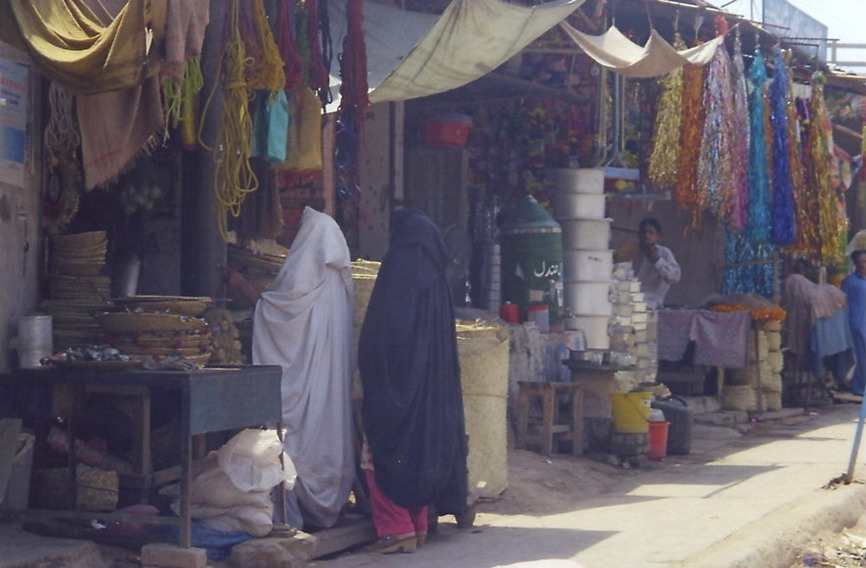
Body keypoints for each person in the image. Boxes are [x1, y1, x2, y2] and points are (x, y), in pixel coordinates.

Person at [222, 207, 355, 529]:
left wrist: (240, 284)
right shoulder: (338, 282)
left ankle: (291, 510)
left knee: (295, 436)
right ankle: (321, 504)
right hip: (327, 384)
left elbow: (275, 310)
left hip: (304, 383)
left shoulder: (304, 274)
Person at [358, 208, 470, 554]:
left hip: (399, 388)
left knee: (381, 450)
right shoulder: (437, 281)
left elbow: (386, 334)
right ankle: (417, 525)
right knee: (419, 451)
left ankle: (396, 529)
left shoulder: (400, 274)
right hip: (431, 393)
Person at [633, 217, 681, 309]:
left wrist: (658, 261)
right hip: (629, 300)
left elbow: (675, 278)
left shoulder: (664, 253)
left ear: (658, 236)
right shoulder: (634, 251)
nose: (646, 235)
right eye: (644, 232)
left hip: (652, 303)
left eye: (651, 233)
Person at [841, 249, 866, 396]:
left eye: (865, 261)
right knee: (862, 358)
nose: (863, 265)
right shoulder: (850, 281)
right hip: (857, 324)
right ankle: (859, 388)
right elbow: (842, 301)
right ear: (855, 264)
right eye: (860, 262)